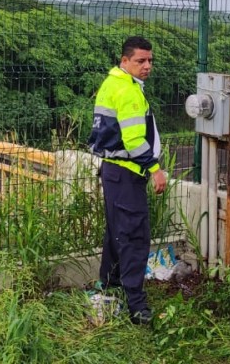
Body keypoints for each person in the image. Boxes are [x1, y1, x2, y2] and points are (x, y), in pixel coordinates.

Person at [88, 36, 167, 325]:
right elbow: (134, 139)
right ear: (125, 61)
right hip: (126, 172)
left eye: (150, 60)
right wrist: (155, 169)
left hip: (113, 172)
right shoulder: (128, 91)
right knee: (134, 237)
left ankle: (108, 289)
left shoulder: (114, 83)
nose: (147, 66)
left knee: (117, 234)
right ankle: (137, 307)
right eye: (140, 61)